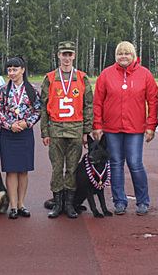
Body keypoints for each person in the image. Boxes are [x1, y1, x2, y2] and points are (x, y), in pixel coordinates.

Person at [93, 41, 158, 216]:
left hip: (135, 128)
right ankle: (119, 201)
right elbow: (97, 102)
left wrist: (151, 126)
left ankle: (143, 201)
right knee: (115, 164)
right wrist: (97, 125)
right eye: (120, 53)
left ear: (133, 56)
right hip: (111, 128)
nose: (123, 57)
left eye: (127, 53)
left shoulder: (145, 75)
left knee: (135, 164)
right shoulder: (106, 74)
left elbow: (153, 102)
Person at [40, 41, 94, 219]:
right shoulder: (50, 78)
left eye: (69, 54)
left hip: (75, 129)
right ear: (58, 55)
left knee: (71, 169)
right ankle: (57, 203)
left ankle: (69, 204)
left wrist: (87, 131)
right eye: (64, 54)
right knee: (57, 168)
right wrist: (45, 132)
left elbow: (88, 106)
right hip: (56, 129)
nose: (66, 58)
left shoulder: (82, 77)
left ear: (74, 56)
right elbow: (44, 106)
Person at [0, 56, 41, 219]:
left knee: (23, 170)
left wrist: (27, 123)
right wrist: (9, 125)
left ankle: (21, 204)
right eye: (9, 70)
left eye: (15, 69)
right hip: (8, 134)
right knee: (11, 170)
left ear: (23, 70)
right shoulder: (2, 90)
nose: (12, 73)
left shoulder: (32, 90)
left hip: (25, 133)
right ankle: (13, 206)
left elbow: (38, 110)